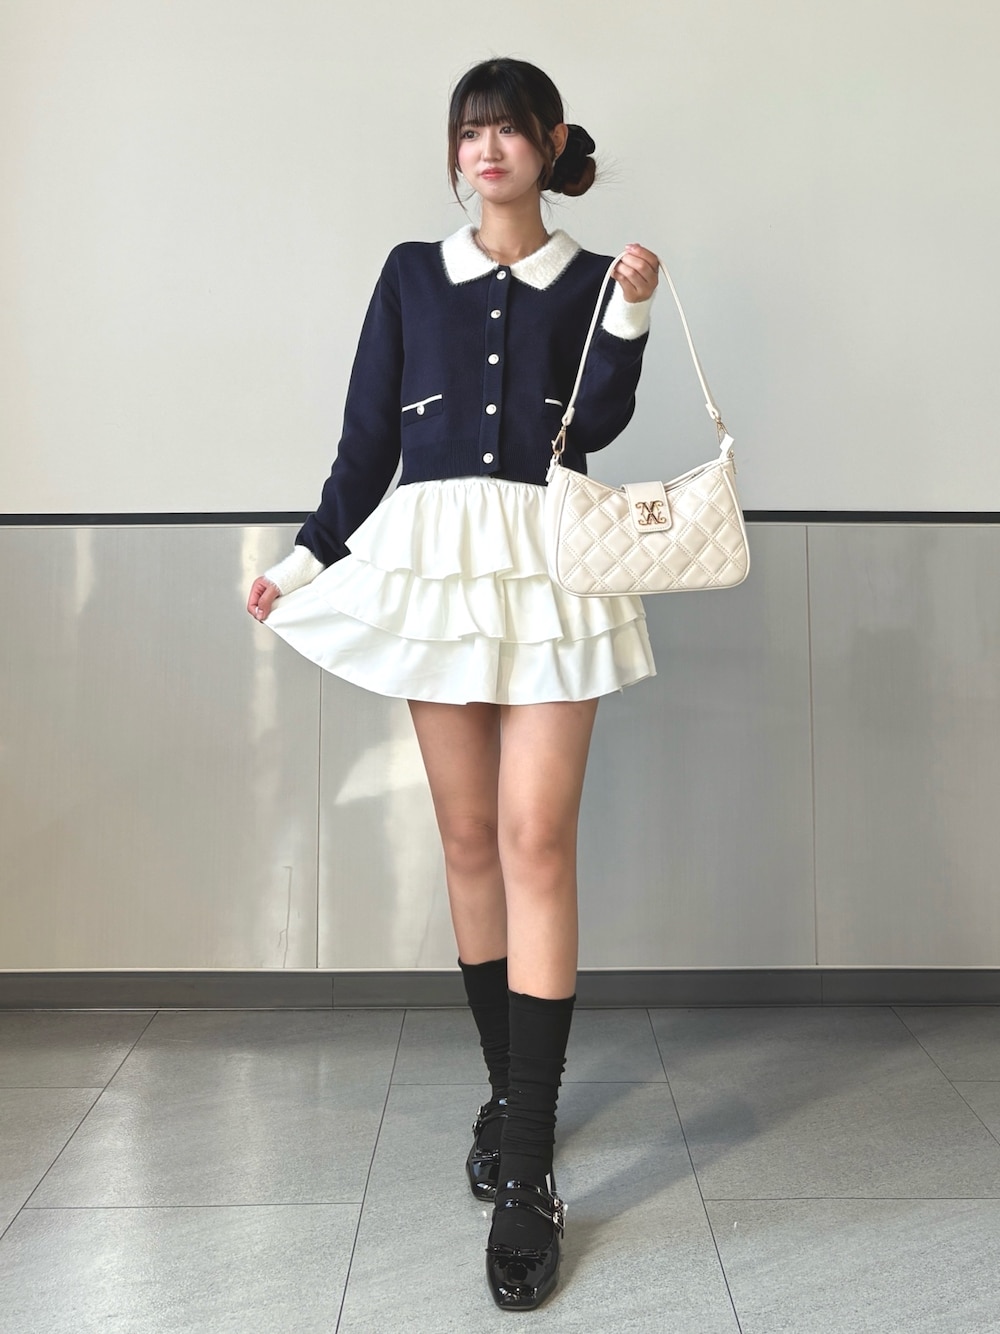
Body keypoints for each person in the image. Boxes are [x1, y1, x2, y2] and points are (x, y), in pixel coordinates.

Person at [246, 56, 659, 1311]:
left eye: (508, 131)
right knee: (470, 836)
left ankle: (527, 1166)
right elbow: (367, 439)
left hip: (547, 564)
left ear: (551, 144)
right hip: (433, 565)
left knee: (537, 837)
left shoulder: (591, 276)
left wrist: (631, 314)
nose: (486, 150)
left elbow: (596, 423)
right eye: (468, 131)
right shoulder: (409, 273)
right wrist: (305, 559)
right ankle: (505, 1092)